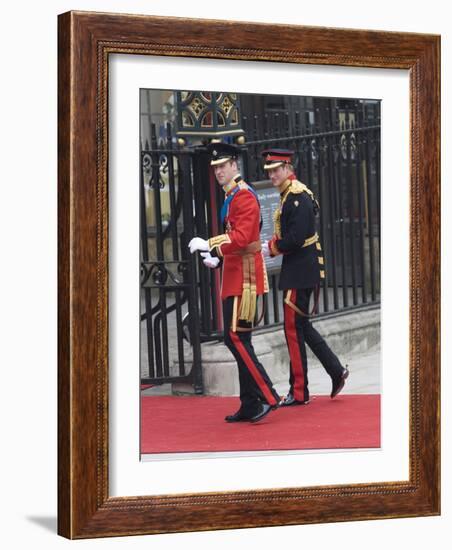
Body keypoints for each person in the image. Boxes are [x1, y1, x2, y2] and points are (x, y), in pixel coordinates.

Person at [188, 142, 280, 423]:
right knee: (240, 338)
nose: (218, 171)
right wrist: (219, 258)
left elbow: (242, 237)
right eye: (215, 167)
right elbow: (239, 239)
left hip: (246, 277)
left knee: (236, 338)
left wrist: (211, 244)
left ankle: (267, 394)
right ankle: (250, 402)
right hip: (236, 271)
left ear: (234, 166)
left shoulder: (243, 196)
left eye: (223, 166)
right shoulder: (232, 195)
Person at [261, 148, 349, 406]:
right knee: (301, 327)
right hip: (300, 269)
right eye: (270, 171)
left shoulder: (296, 196)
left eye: (277, 170)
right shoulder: (290, 193)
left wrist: (271, 247)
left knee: (292, 328)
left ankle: (299, 392)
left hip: (299, 271)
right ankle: (336, 371)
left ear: (288, 168)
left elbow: (296, 238)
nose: (273, 174)